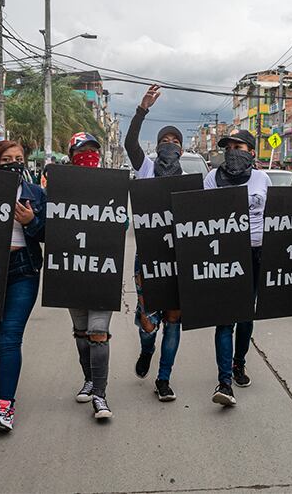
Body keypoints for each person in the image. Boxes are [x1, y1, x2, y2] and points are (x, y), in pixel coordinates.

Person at [125, 85, 190, 403]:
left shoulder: (192, 179)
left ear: (182, 148)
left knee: (174, 318)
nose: (169, 145)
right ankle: (146, 349)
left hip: (179, 258)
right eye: (164, 141)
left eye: (174, 141)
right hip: (150, 257)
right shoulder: (147, 168)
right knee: (149, 322)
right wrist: (142, 109)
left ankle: (164, 379)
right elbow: (129, 144)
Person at [202, 129, 270, 407]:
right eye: (228, 147)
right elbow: (202, 217)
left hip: (256, 253)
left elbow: (276, 216)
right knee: (224, 318)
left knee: (246, 317)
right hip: (225, 254)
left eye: (238, 146)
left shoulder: (263, 179)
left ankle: (239, 363)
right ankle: (224, 381)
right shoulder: (212, 178)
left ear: (252, 152)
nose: (232, 150)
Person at [0, 140, 47, 432]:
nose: (14, 163)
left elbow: (51, 233)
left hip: (24, 269)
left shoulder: (36, 194)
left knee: (11, 336)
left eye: (18, 158)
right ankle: (6, 373)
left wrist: (31, 221)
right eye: (6, 159)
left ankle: (5, 406)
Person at [61, 132, 115, 419]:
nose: (88, 155)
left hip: (103, 270)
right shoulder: (59, 186)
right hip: (71, 269)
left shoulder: (110, 185)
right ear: (71, 155)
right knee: (81, 331)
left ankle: (100, 397)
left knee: (98, 332)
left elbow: (122, 221)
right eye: (82, 150)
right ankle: (90, 378)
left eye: (93, 150)